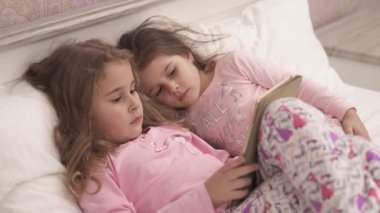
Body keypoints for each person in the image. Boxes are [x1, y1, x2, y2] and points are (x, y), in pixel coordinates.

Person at [24, 39, 380, 212]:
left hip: (255, 188)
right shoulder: (98, 171)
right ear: (81, 114)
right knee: (339, 171)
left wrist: (243, 165)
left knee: (283, 112)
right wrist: (206, 196)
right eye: (117, 98)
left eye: (133, 90)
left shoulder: (169, 131)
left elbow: (223, 159)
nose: (135, 103)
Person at [118, 16, 371, 157]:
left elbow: (297, 85)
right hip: (273, 162)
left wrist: (345, 111)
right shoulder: (186, 123)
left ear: (186, 55)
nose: (172, 87)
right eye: (158, 91)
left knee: (283, 116)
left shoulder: (232, 64)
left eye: (172, 72)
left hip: (308, 129)